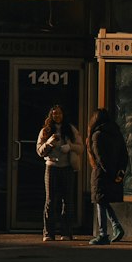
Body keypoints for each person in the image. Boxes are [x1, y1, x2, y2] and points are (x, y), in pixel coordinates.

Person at [36, 103, 83, 242]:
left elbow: (81, 148)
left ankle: (66, 233)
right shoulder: (45, 130)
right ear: (51, 115)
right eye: (55, 113)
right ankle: (48, 233)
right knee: (50, 200)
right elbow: (39, 151)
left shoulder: (71, 129)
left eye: (60, 113)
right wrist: (49, 143)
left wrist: (70, 147)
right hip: (52, 167)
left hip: (67, 167)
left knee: (67, 201)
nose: (57, 116)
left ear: (64, 115)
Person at [86, 106, 129, 246]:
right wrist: (119, 173)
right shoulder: (117, 133)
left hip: (102, 174)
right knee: (103, 201)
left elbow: (100, 158)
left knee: (100, 202)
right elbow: (124, 155)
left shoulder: (97, 135)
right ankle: (116, 226)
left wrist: (109, 173)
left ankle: (103, 233)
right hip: (114, 173)